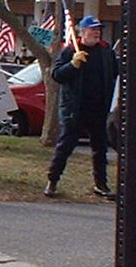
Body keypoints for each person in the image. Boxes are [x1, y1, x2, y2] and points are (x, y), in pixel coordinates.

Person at [42, 15, 118, 200]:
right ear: (82, 32)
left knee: (100, 149)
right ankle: (52, 181)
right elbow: (57, 75)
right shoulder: (70, 51)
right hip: (74, 108)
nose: (96, 32)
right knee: (65, 146)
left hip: (99, 108)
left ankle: (101, 185)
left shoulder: (106, 51)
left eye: (98, 29)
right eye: (92, 29)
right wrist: (73, 65)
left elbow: (116, 72)